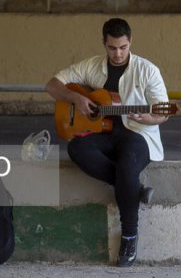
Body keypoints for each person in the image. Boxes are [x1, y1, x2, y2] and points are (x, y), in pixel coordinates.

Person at [45, 17, 170, 267]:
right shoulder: (92, 66)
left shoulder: (147, 70)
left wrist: (148, 117)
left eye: (123, 47)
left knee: (127, 165)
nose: (118, 53)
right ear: (104, 43)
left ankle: (129, 236)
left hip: (138, 134)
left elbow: (163, 112)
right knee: (76, 147)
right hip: (104, 133)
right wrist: (76, 99)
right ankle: (134, 188)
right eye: (112, 47)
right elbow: (52, 85)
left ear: (130, 42)